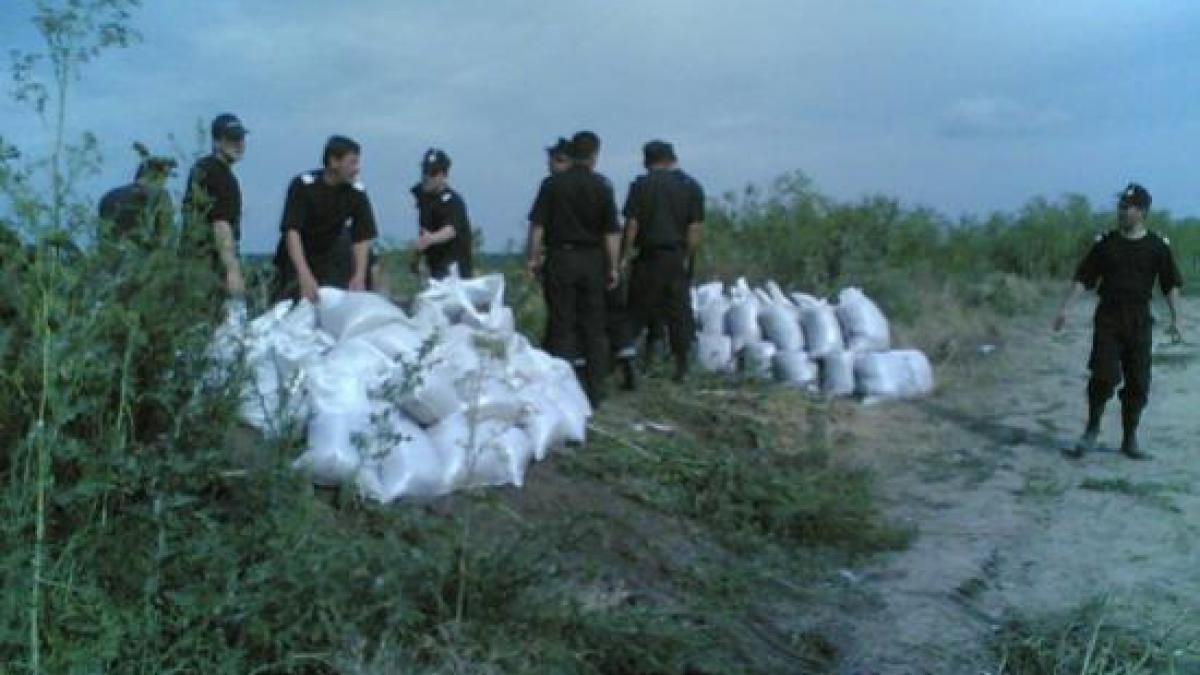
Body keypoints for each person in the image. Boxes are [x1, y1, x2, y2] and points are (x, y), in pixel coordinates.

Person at [1054, 183, 1183, 460]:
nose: (1122, 211)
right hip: (1109, 318)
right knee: (1104, 376)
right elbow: (1084, 278)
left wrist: (1176, 318)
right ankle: (1091, 430)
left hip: (1139, 320)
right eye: (1121, 206)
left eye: (1128, 207)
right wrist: (1065, 308)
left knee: (1139, 382)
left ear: (1143, 211)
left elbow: (1170, 283)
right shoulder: (1106, 244)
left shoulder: (1157, 247)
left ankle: (1129, 439)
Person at [526, 130, 621, 405]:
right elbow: (611, 233)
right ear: (594, 155)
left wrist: (533, 258)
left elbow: (538, 226)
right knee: (593, 325)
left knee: (561, 323)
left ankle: (560, 390)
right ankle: (595, 390)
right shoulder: (602, 186)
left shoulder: (552, 185)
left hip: (560, 257)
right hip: (592, 260)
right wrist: (613, 267)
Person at [621, 140, 705, 383]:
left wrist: (624, 257)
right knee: (679, 313)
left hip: (649, 257)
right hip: (675, 258)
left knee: (637, 311)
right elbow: (695, 228)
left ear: (647, 161)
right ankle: (682, 367)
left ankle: (628, 365)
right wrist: (687, 258)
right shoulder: (690, 187)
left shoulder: (641, 186)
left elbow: (632, 225)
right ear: (672, 159)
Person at [272, 135, 378, 303]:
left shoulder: (356, 192)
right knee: (292, 306)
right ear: (334, 161)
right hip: (298, 256)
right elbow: (292, 231)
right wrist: (304, 275)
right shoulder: (304, 186)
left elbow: (362, 237)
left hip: (330, 256)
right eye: (352, 163)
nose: (357, 169)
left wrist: (359, 275)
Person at [182, 113, 247, 298]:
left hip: (193, 263)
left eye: (241, 138)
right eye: (233, 139)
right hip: (207, 265)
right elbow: (220, 224)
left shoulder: (204, 168)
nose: (239, 144)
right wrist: (232, 271)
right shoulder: (218, 174)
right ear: (217, 141)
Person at [410, 148, 473, 279]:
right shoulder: (424, 198)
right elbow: (424, 230)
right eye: (425, 171)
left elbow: (450, 230)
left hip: (455, 272)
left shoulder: (452, 201)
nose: (427, 176)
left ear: (444, 175)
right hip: (434, 269)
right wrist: (416, 258)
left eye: (433, 173)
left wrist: (431, 239)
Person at [98, 153, 177, 248]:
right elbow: (164, 236)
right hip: (139, 252)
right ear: (156, 175)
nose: (165, 181)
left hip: (110, 252)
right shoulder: (160, 195)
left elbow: (103, 231)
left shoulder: (111, 194)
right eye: (165, 176)